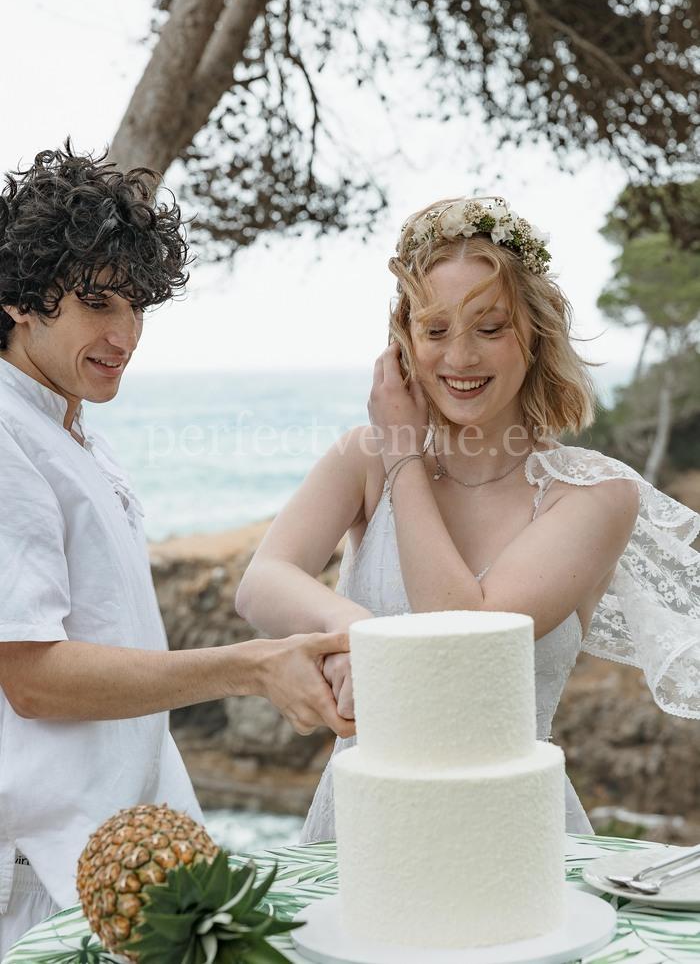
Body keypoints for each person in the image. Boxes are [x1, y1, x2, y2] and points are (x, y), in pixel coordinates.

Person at [237, 195, 700, 843]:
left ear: (534, 335)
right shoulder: (361, 457)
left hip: (509, 828)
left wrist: (404, 459)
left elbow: (464, 637)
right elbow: (260, 583)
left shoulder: (593, 496)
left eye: (490, 328)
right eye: (435, 330)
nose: (460, 357)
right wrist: (356, 633)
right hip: (364, 822)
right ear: (404, 342)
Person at [0, 144, 354, 956]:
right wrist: (253, 666)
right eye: (97, 302)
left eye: (136, 306)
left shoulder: (72, 430)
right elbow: (30, 678)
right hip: (47, 878)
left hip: (132, 854)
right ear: (18, 297)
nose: (124, 334)